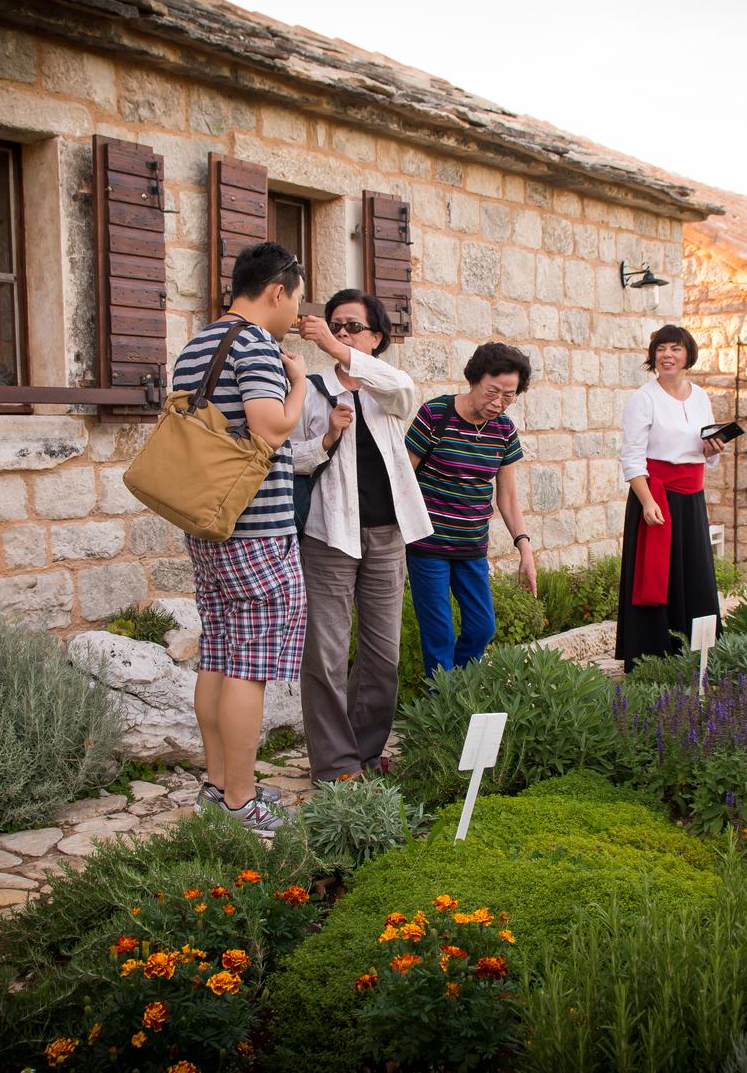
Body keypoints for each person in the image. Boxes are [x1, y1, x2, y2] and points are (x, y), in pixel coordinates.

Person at [174, 240, 309, 836]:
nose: (295, 314)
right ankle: (240, 799)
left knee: (218, 654)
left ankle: (217, 784)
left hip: (207, 522)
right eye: (297, 300)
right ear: (277, 290)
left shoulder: (198, 343)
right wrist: (299, 385)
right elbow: (270, 427)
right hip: (256, 529)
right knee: (247, 666)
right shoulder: (257, 344)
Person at [290, 290, 433, 783]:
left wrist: (333, 344)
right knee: (326, 654)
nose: (343, 333)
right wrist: (326, 437)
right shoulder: (308, 389)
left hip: (388, 534)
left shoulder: (387, 390)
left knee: (382, 653)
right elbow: (288, 459)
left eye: (353, 326)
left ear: (376, 337)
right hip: (329, 536)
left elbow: (405, 386)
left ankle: (367, 751)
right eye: (335, 325)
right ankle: (335, 765)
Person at [404, 342, 537, 677]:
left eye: (509, 395)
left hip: (472, 548)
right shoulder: (435, 415)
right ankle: (442, 708)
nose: (498, 403)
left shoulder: (504, 430)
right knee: (440, 637)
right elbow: (403, 478)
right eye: (493, 391)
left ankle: (458, 689)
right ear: (474, 379)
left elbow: (506, 497)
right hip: (428, 546)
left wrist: (525, 547)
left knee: (481, 628)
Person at [615, 324, 726, 672]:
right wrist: (647, 501)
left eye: (675, 349)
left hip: (692, 497)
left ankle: (699, 655)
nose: (667, 355)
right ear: (653, 356)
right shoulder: (644, 398)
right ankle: (650, 659)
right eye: (661, 349)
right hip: (655, 496)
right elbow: (632, 457)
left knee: (696, 574)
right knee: (655, 577)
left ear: (687, 355)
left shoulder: (700, 396)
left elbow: (706, 454)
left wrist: (713, 448)